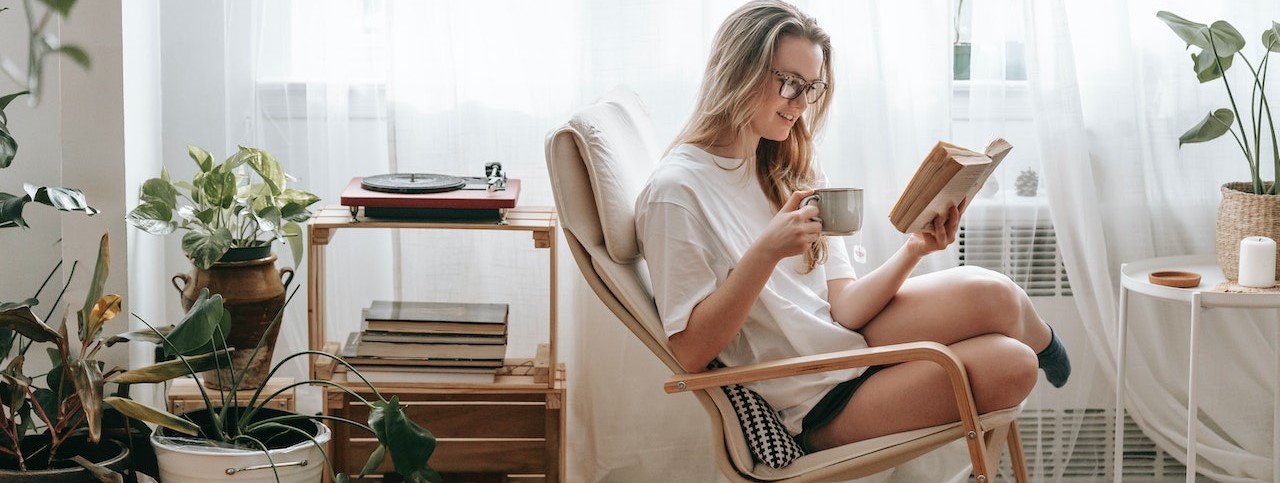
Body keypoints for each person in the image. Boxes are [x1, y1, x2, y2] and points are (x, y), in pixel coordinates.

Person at [633, 0, 1070, 453]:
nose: (801, 104)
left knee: (995, 294)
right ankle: (1037, 350)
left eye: (812, 87)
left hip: (846, 344)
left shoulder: (785, 163)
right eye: (789, 83)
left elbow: (842, 305)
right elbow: (688, 353)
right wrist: (765, 253)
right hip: (814, 400)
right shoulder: (676, 191)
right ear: (738, 70)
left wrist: (914, 250)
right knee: (1013, 365)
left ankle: (1049, 346)